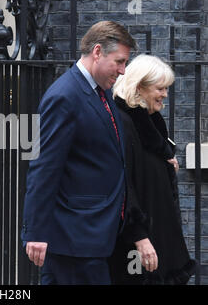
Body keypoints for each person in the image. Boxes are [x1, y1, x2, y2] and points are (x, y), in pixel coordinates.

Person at [21, 21, 136, 285]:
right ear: (97, 51)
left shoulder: (101, 92)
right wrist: (36, 232)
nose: (122, 70)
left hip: (93, 234)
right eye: (119, 61)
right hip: (75, 237)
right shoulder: (64, 96)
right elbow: (44, 167)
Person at [109, 54, 197, 284]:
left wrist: (167, 169)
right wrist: (140, 236)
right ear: (139, 87)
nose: (165, 95)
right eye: (160, 88)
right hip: (137, 244)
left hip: (159, 235)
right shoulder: (124, 124)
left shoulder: (151, 122)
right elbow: (126, 186)